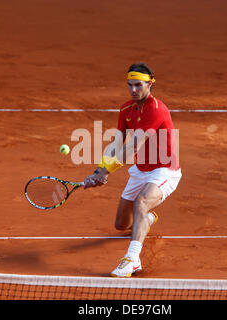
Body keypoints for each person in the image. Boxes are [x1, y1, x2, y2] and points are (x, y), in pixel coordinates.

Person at [84, 63, 182, 277]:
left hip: (164, 170)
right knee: (121, 224)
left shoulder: (156, 110)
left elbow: (134, 145)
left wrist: (106, 173)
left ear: (150, 84)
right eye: (130, 85)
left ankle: (131, 260)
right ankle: (147, 219)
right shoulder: (126, 109)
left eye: (138, 85)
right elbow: (117, 143)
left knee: (142, 201)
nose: (134, 90)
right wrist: (99, 169)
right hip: (140, 169)